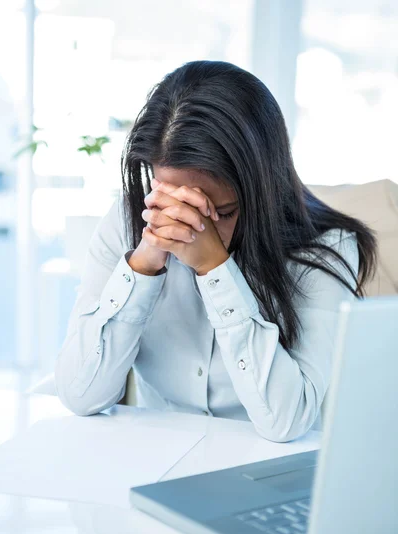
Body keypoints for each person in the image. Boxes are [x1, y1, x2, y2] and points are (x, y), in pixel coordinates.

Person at [55, 60, 377, 442]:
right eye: (172, 203)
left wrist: (215, 268)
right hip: (157, 461)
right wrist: (143, 265)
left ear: (263, 186)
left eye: (220, 213)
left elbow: (286, 422)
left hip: (269, 469)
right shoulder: (126, 223)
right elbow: (81, 394)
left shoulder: (327, 247)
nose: (190, 227)